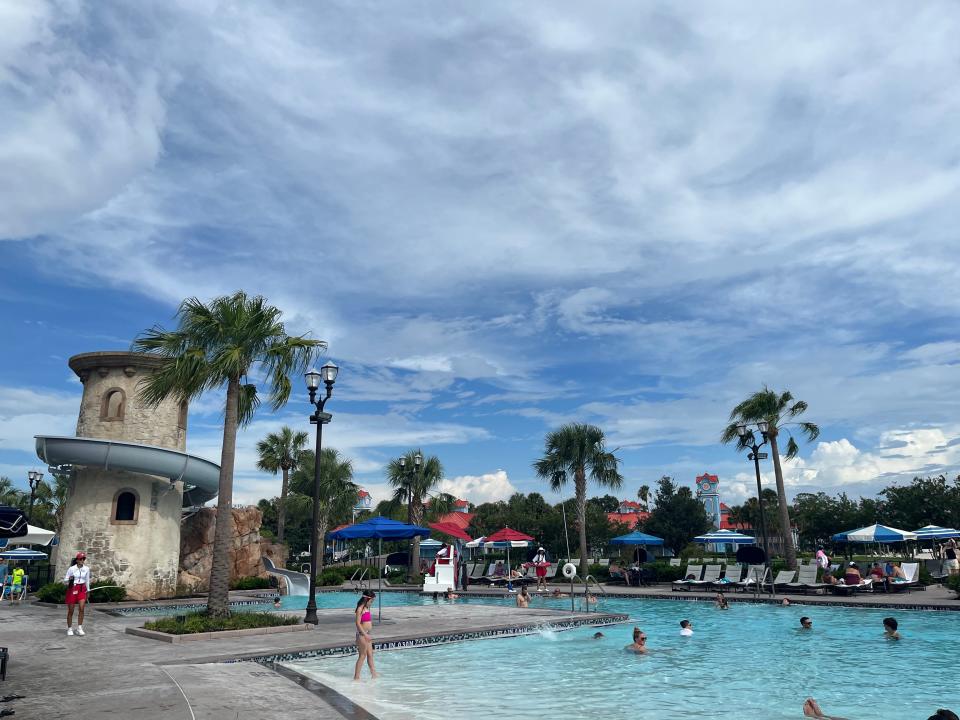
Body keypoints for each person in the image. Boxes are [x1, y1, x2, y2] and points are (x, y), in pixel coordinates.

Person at [64, 552, 91, 636]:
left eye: (84, 559)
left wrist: (88, 590)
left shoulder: (86, 569)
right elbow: (65, 580)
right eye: (81, 559)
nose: (82, 560)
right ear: (77, 560)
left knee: (82, 608)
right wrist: (70, 579)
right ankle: (69, 628)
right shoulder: (71, 569)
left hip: (82, 589)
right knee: (71, 610)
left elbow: (87, 580)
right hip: (73, 588)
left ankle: (79, 628)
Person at [354, 591, 377, 680]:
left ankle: (374, 675)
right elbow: (358, 623)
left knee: (370, 655)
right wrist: (365, 634)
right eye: (371, 601)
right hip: (362, 635)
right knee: (362, 655)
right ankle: (356, 677)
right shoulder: (360, 609)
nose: (372, 603)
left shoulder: (366, 608)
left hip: (367, 634)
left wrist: (367, 634)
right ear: (366, 599)